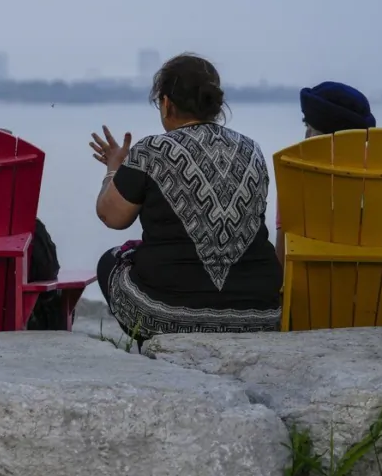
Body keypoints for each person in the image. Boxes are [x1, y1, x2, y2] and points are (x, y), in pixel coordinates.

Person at [89, 53, 282, 342]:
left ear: (166, 103)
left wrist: (114, 168)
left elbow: (111, 216)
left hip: (166, 315)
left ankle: (157, 345)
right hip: (258, 314)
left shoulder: (152, 151)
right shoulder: (251, 150)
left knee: (111, 261)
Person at [274, 81, 376, 266]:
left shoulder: (295, 175)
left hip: (312, 292)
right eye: (306, 127)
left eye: (312, 129)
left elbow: (282, 259)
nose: (306, 137)